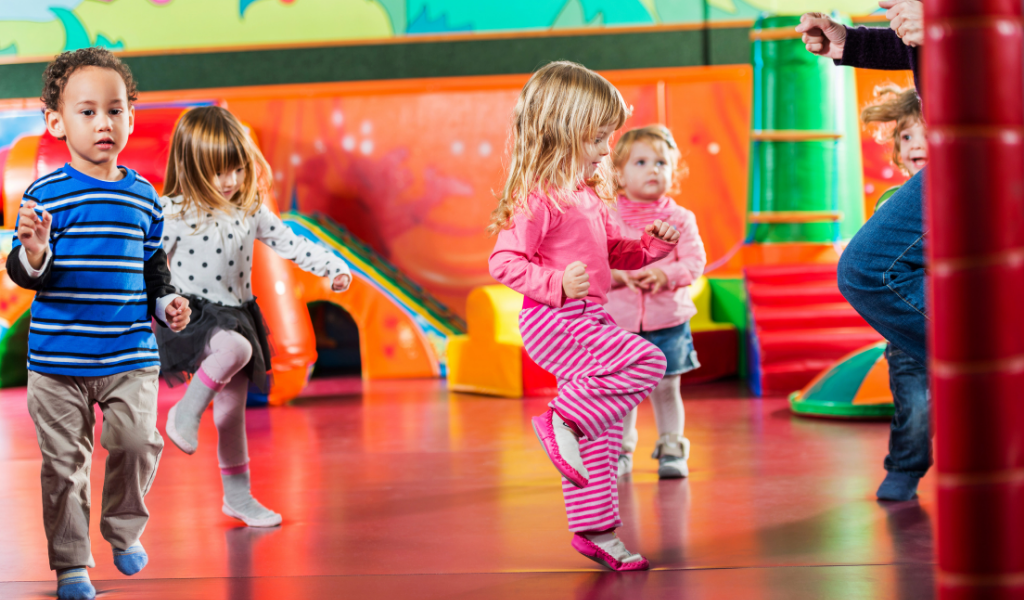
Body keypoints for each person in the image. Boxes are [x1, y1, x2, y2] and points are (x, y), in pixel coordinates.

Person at [4, 47, 191, 600]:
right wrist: (34, 251)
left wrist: (168, 304)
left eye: (115, 110)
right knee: (64, 468)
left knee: (136, 441)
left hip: (129, 356)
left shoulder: (144, 198)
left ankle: (124, 528)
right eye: (87, 112)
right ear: (56, 123)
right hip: (58, 362)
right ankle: (71, 566)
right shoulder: (44, 195)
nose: (103, 122)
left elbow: (154, 270)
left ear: (131, 117)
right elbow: (25, 272)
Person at [488, 61, 680, 571]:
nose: (603, 149)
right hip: (554, 320)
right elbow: (502, 262)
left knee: (606, 428)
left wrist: (649, 248)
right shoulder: (539, 197)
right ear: (563, 130)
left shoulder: (588, 192)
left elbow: (613, 251)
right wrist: (555, 284)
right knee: (648, 362)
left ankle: (597, 531)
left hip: (589, 320)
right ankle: (561, 420)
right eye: (597, 138)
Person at [156, 106, 352, 527]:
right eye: (217, 172)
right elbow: (144, 261)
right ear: (191, 168)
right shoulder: (174, 212)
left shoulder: (250, 209)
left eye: (237, 170)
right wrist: (155, 302)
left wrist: (332, 266)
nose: (229, 182)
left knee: (230, 415)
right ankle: (184, 413)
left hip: (238, 311)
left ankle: (239, 498)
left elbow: (291, 243)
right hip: (192, 313)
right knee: (235, 348)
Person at [795, 1, 928, 368]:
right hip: (959, 144)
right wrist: (851, 44)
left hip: (992, 141)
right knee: (867, 271)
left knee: (872, 269)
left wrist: (945, 26)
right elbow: (920, 47)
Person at [605, 125, 706, 479]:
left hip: (668, 320)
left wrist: (664, 276)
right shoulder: (608, 215)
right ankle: (619, 448)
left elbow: (694, 262)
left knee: (666, 387)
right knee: (622, 388)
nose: (653, 169)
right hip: (619, 323)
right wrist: (619, 276)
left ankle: (672, 446)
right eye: (642, 161)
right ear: (618, 172)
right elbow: (595, 261)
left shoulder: (680, 218)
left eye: (662, 163)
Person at [859, 86, 932, 501]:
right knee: (914, 409)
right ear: (896, 151)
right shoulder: (891, 203)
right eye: (906, 136)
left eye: (926, 133)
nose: (917, 143)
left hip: (948, 311)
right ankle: (905, 467)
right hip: (907, 333)